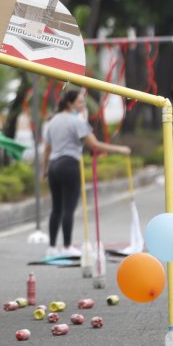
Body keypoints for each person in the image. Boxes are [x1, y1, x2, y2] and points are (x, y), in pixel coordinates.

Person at [40, 88, 131, 258]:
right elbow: (94, 145)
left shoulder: (53, 121)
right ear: (69, 103)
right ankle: (67, 246)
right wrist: (120, 149)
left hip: (53, 165)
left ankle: (52, 247)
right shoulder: (77, 122)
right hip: (69, 164)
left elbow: (46, 149)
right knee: (69, 208)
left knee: (57, 208)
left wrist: (44, 170)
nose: (83, 105)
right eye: (80, 102)